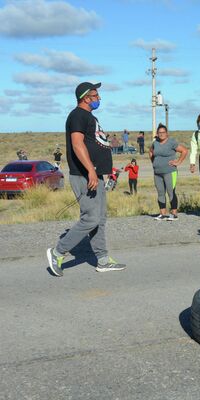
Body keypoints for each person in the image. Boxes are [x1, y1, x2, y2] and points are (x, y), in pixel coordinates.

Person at [46, 81, 125, 277]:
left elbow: (93, 143)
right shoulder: (78, 115)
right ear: (85, 98)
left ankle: (103, 259)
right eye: (96, 95)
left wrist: (101, 168)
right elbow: (77, 144)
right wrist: (90, 170)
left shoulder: (89, 116)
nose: (99, 98)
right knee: (90, 218)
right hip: (83, 175)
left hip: (94, 174)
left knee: (100, 219)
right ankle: (58, 252)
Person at [149, 123, 188, 221]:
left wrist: (178, 162)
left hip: (170, 172)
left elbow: (184, 150)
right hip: (157, 173)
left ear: (167, 133)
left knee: (171, 192)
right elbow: (150, 152)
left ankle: (174, 214)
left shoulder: (171, 142)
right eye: (159, 132)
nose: (161, 134)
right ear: (157, 134)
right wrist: (154, 163)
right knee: (160, 192)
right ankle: (162, 213)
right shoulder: (155, 143)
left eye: (163, 132)